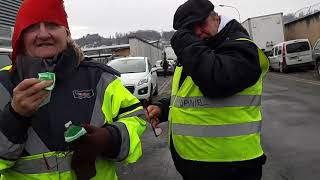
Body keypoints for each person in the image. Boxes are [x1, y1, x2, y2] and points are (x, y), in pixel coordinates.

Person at [0, 0, 146, 179]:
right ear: (20, 36)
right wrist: (15, 117)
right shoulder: (3, 84)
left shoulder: (100, 78)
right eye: (32, 27)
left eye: (52, 25)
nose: (43, 34)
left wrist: (109, 138)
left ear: (67, 34)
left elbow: (137, 120)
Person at [146, 0, 269, 179]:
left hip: (231, 167)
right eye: (190, 29)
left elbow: (216, 82)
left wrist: (186, 42)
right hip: (194, 163)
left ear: (216, 18)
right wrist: (163, 108)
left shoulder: (241, 47)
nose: (197, 32)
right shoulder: (198, 51)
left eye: (201, 23)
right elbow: (188, 95)